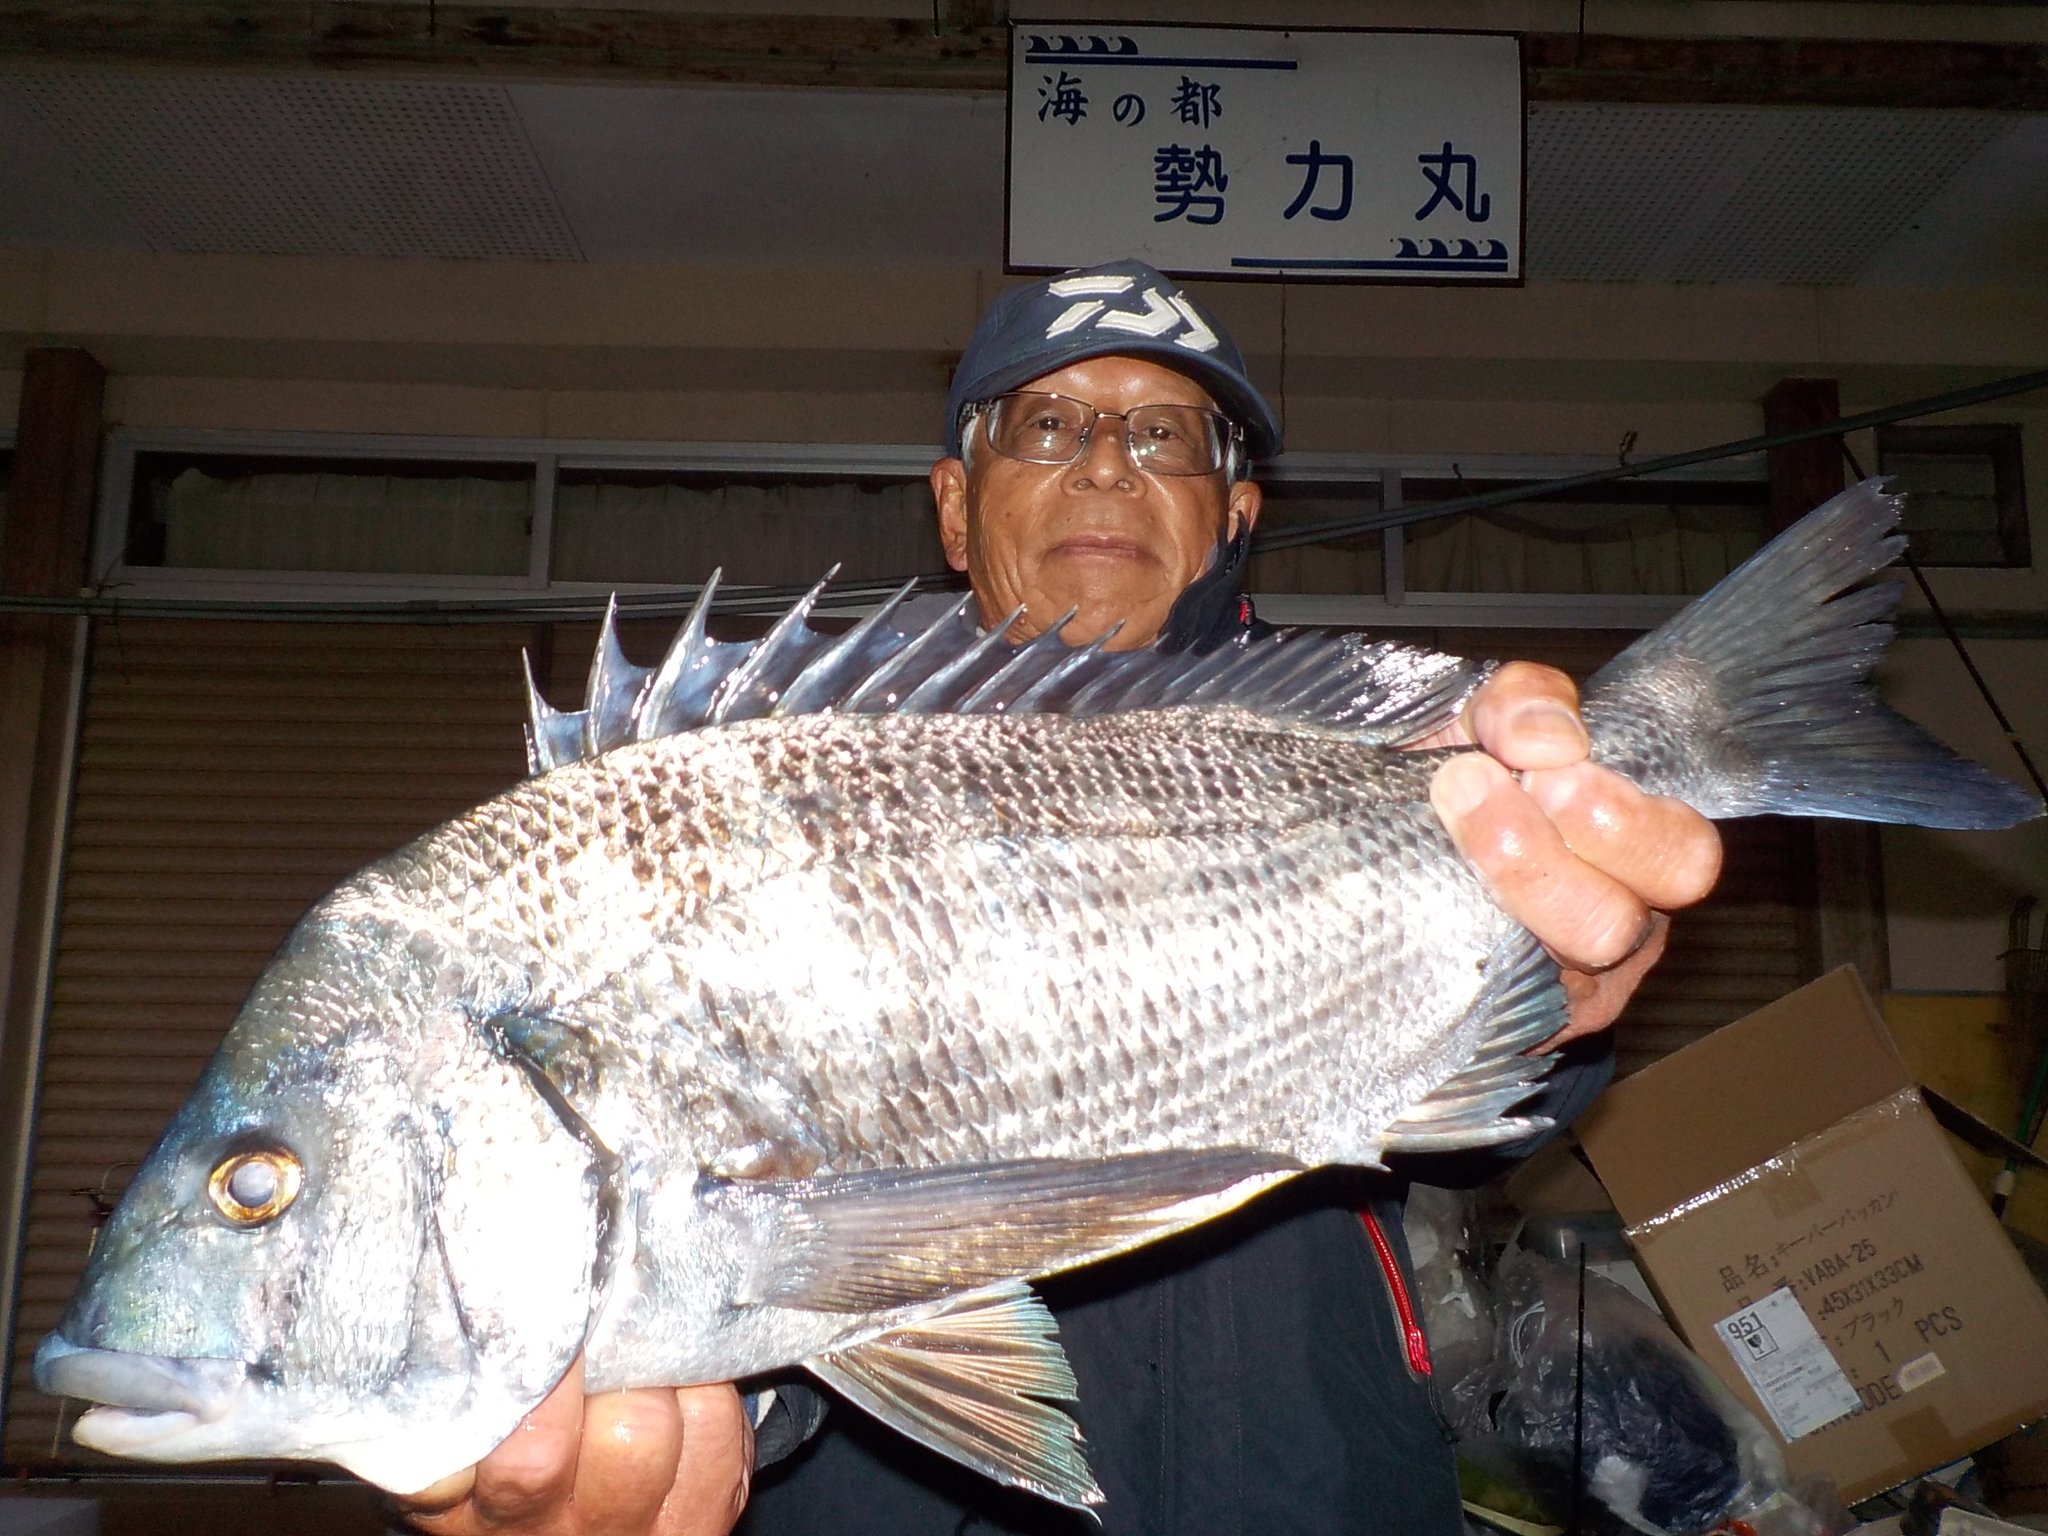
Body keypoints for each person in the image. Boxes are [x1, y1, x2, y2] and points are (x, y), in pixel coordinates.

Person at [398, 259, 1721, 1536]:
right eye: (1049, 424)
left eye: (1166, 433)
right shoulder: (769, 789)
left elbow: (1482, 1114)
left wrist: (1563, 1000)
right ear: (956, 505)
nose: (1106, 462)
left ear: (1238, 511)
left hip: (1313, 1483)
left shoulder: (1391, 766)